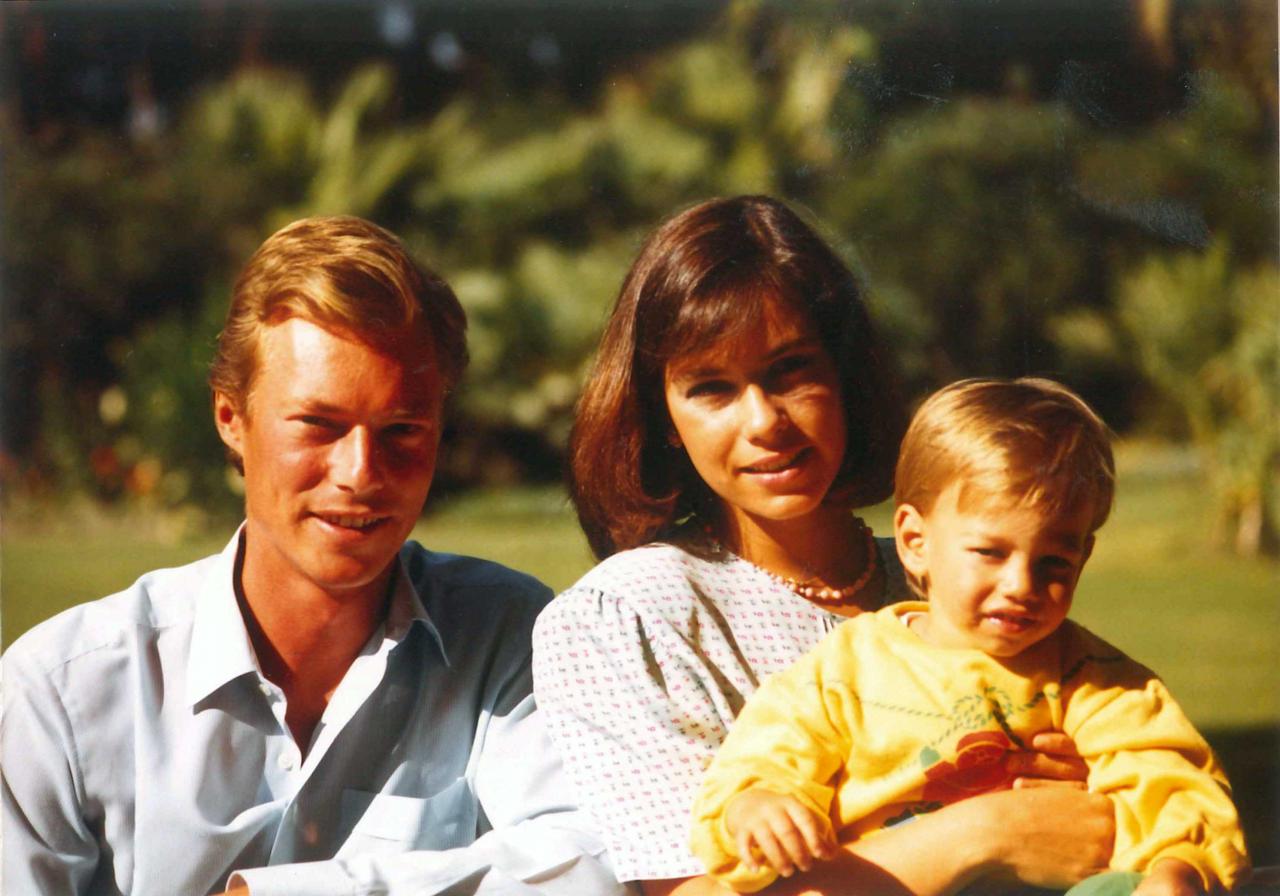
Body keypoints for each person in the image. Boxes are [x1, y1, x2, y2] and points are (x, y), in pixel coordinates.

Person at [2, 216, 623, 896]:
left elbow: (585, 867)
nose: (360, 470)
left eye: (402, 430)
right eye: (319, 426)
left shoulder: (508, 638)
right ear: (230, 419)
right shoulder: (59, 696)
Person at [533, 195, 1119, 896]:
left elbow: (1109, 797)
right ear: (664, 419)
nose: (764, 423)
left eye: (790, 371)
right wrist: (986, 833)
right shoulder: (626, 618)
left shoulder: (966, 571)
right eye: (712, 389)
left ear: (845, 372)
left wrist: (1081, 779)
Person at [689, 377, 1250, 896]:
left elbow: (1166, 775)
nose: (1021, 585)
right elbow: (764, 759)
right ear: (914, 540)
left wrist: (1177, 868)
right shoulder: (848, 669)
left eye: (1054, 562)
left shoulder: (1089, 677)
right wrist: (756, 807)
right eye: (990, 552)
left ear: (1084, 558)